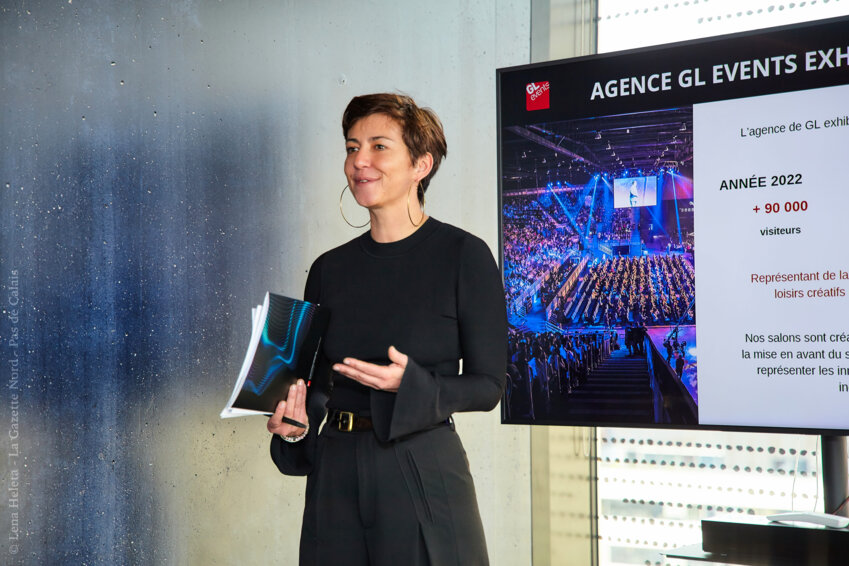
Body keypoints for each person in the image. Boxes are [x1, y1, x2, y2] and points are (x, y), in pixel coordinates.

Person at [265, 93, 507, 566]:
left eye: (379, 146)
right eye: (352, 148)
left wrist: (410, 384)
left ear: (421, 165)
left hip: (420, 464)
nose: (360, 161)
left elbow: (488, 386)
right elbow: (314, 386)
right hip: (334, 471)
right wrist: (293, 428)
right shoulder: (328, 269)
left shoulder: (464, 255)